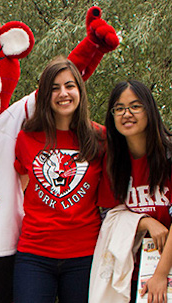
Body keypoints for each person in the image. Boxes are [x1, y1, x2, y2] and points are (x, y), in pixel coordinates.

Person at [12, 57, 115, 303]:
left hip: (85, 254)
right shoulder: (26, 138)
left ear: (80, 90)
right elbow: (20, 187)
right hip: (34, 254)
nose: (63, 93)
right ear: (45, 94)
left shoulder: (100, 138)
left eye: (70, 86)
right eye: (55, 88)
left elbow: (110, 198)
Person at [100, 80, 172, 303]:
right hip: (134, 271)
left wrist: (160, 275)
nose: (126, 114)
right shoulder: (113, 161)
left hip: (164, 271)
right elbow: (110, 215)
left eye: (135, 106)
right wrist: (146, 222)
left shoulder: (169, 155)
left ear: (149, 109)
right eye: (119, 108)